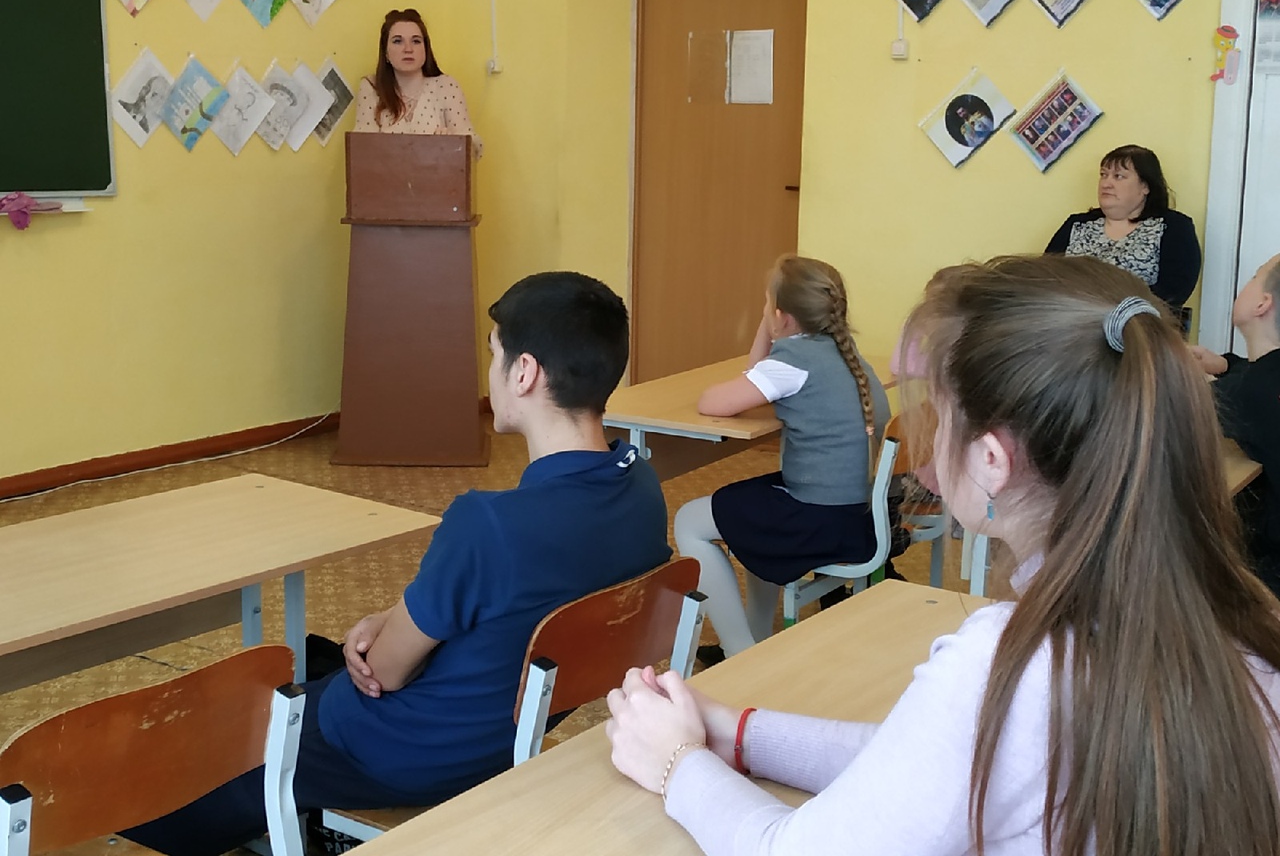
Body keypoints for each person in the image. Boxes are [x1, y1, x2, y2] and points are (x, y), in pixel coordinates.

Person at [605, 254, 1280, 856]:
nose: (930, 437)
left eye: (942, 413)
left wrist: (677, 763)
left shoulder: (1012, 665)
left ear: (991, 460)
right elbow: (922, 767)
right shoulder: (1243, 613)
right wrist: (738, 732)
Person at [123, 272, 671, 855]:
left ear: (525, 372)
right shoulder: (643, 488)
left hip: (405, 751)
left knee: (178, 768)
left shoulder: (488, 523)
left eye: (494, 354)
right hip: (507, 736)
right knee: (311, 663)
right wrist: (394, 616)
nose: (490, 371)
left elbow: (383, 673)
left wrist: (385, 635)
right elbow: (498, 600)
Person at [673, 255, 888, 664]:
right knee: (748, 507)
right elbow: (756, 378)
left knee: (688, 521)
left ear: (781, 315)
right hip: (856, 515)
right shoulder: (847, 354)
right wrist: (773, 320)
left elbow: (712, 402)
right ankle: (756, 635)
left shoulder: (793, 362)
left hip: (820, 520)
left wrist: (766, 325)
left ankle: (740, 652)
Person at [1190, 252, 1280, 594]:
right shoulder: (1260, 382)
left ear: (1262, 304)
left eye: (1255, 276)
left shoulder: (1250, 393)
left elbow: (1179, 405)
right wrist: (1226, 365)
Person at [1045, 144, 1201, 309]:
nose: (1106, 183)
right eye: (1104, 175)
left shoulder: (1173, 227)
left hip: (1137, 322)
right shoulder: (1077, 224)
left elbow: (1173, 294)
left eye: (1118, 176)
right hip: (1066, 318)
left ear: (1145, 186)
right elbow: (1044, 277)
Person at [353, 8, 483, 155]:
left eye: (416, 41)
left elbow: (473, 146)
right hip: (385, 170)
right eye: (398, 41)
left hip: (438, 170)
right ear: (386, 53)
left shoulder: (446, 86)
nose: (408, 49)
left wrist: (451, 143)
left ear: (425, 49)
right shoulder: (371, 87)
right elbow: (361, 148)